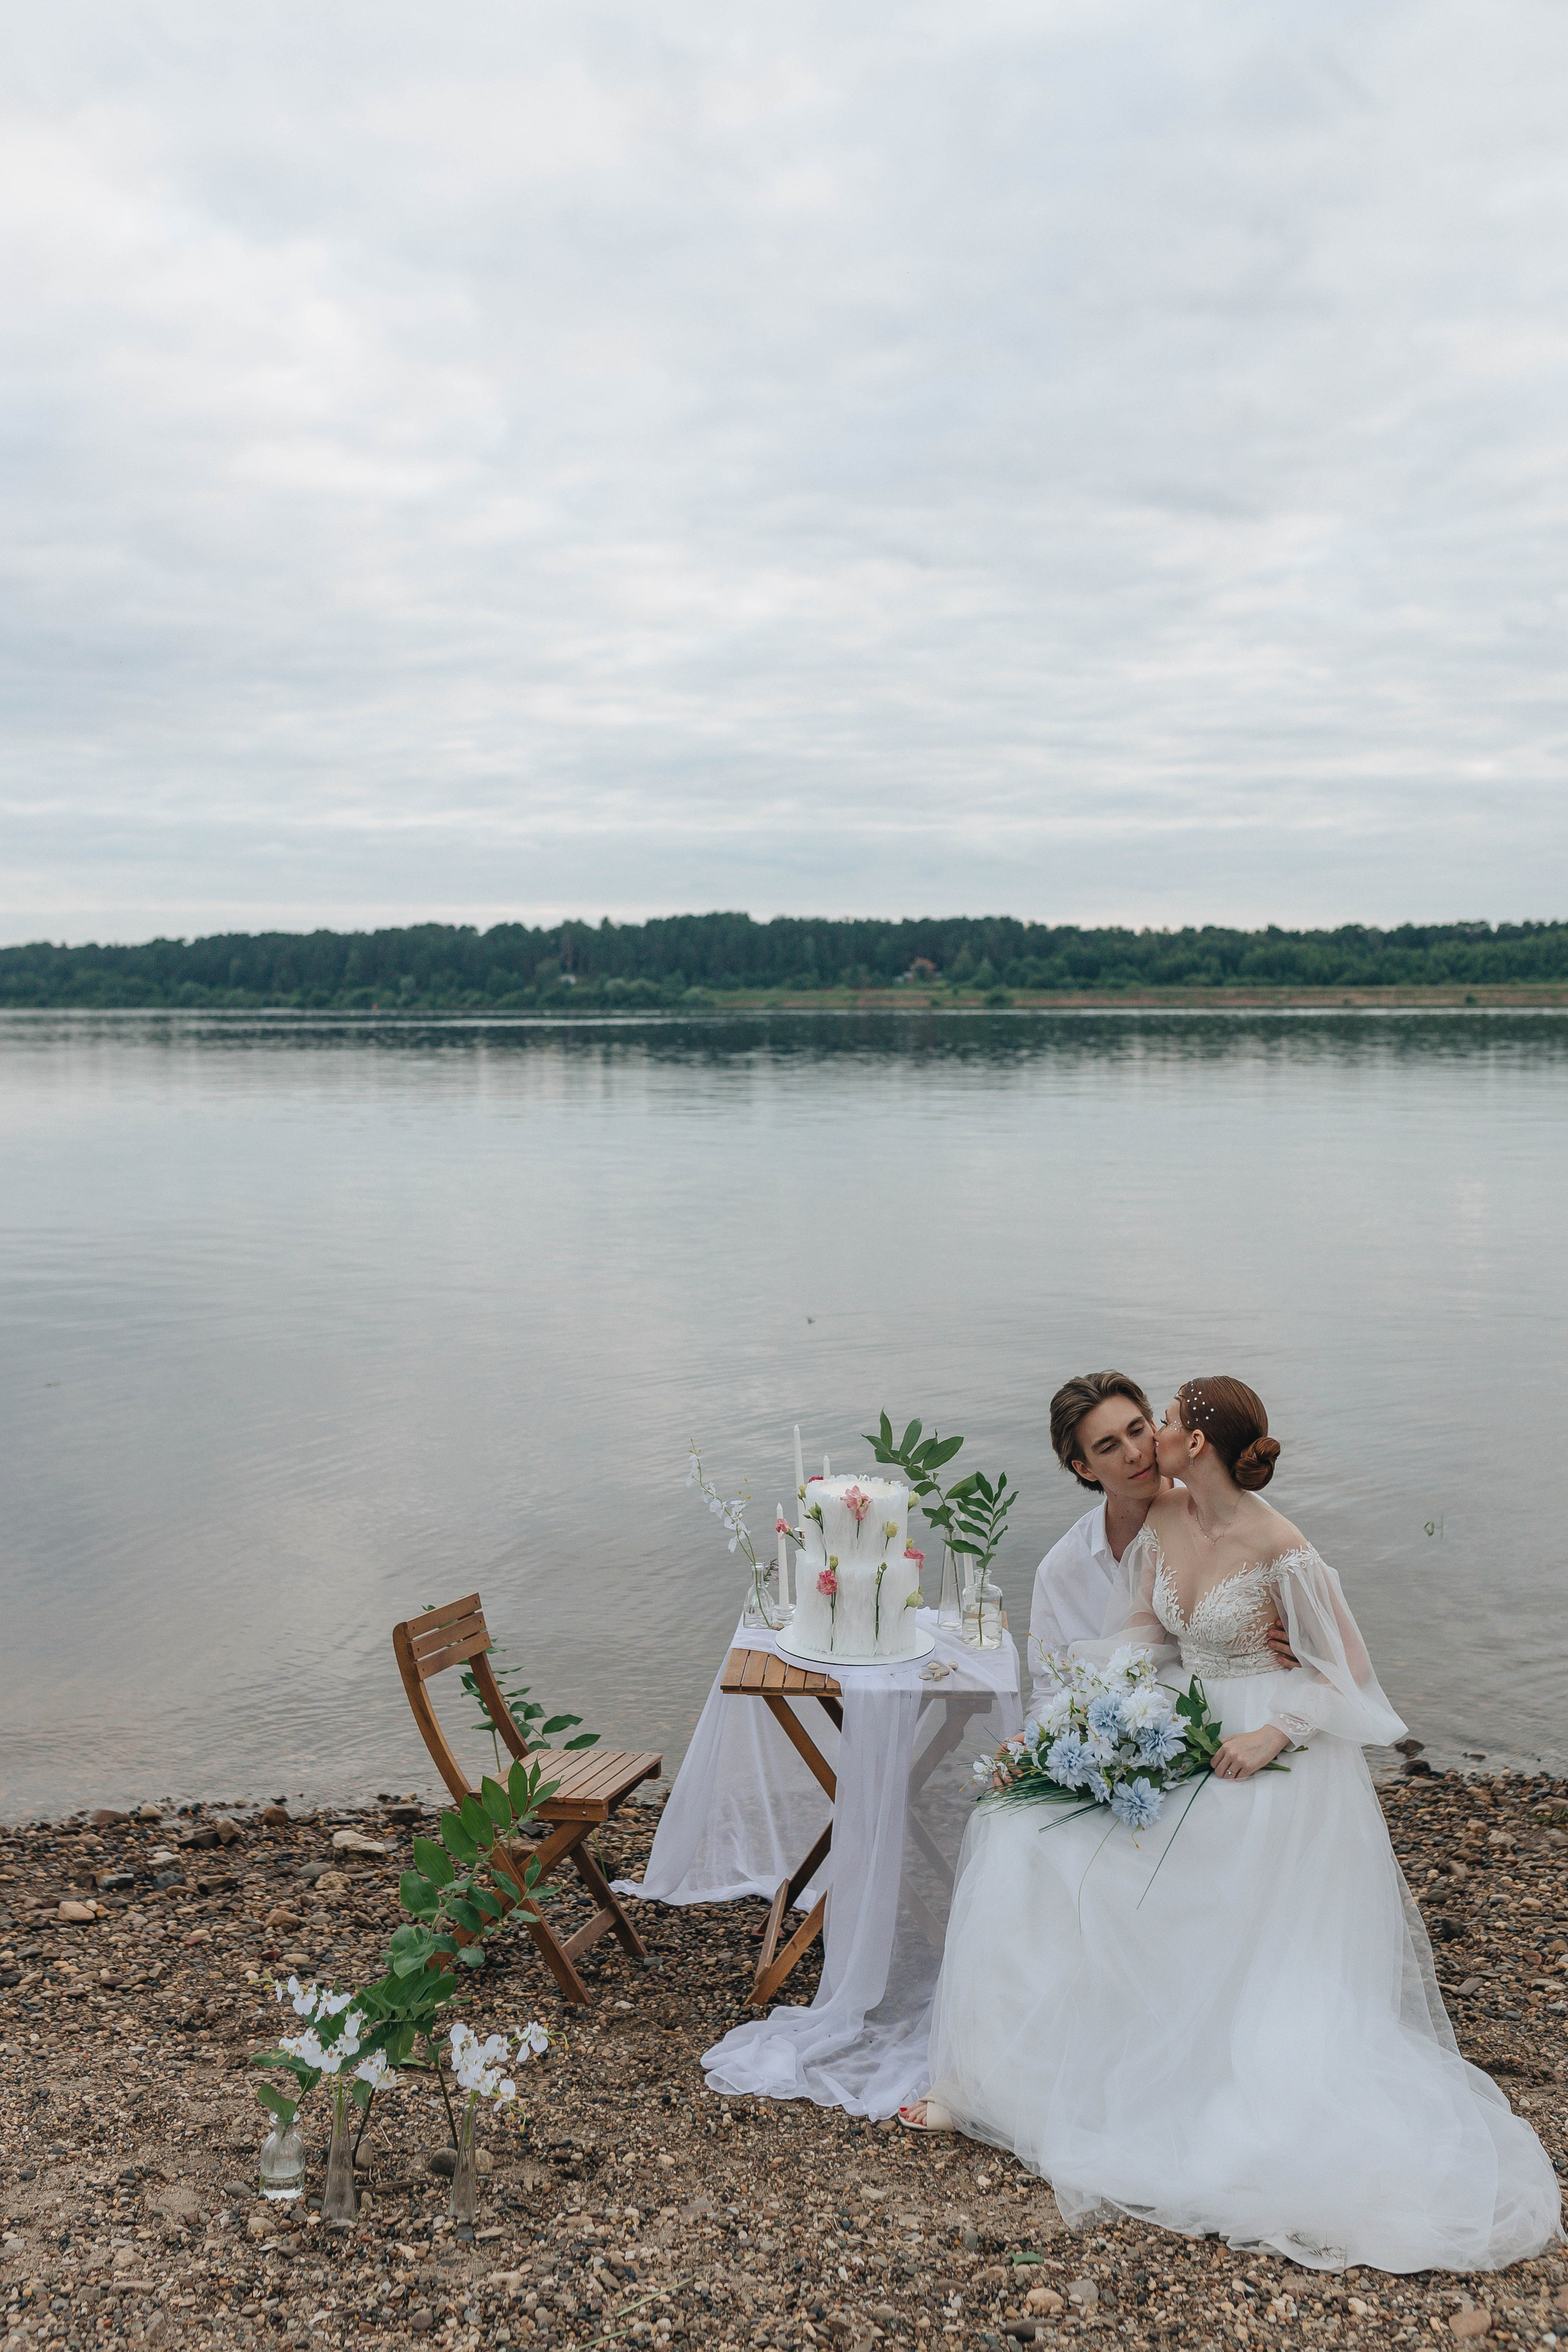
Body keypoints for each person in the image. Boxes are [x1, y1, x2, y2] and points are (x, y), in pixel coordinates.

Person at [907, 1378, 1562, 2274]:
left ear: (1197, 1444)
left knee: (1182, 1877)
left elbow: (1353, 1677)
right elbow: (1141, 1635)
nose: (1151, 1442)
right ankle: (1007, 2070)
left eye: (1161, 1425)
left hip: (1266, 1752)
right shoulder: (1164, 1526)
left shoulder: (1279, 1542)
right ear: (1083, 1466)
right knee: (1032, 1836)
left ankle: (1201, 2070)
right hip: (1186, 1728)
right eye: (1126, 1437)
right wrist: (1075, 1723)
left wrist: (1272, 1729)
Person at [1030, 1371, 1290, 1726]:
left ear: (1156, 1425)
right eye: (1109, 1447)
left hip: (1242, 1727)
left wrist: (1303, 1648)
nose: (1135, 1454)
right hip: (1130, 1748)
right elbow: (1050, 1687)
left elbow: (1315, 1620)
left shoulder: (1239, 1517)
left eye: (1137, 1430)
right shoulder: (1061, 1571)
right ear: (1085, 1469)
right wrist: (1034, 1741)